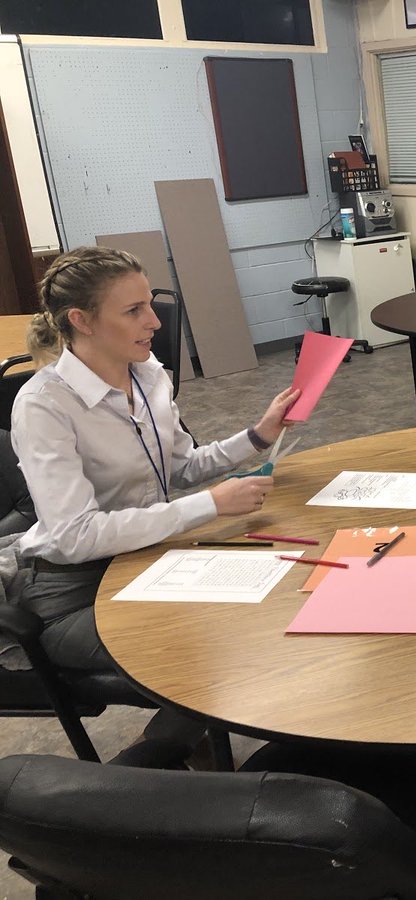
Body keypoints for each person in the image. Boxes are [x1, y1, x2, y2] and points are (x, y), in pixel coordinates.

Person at [10, 246, 300, 672]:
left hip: (145, 554)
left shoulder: (150, 376)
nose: (155, 321)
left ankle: (183, 737)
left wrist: (257, 436)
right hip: (74, 587)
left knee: (259, 607)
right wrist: (210, 505)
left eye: (149, 304)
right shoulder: (44, 405)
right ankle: (171, 740)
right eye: (134, 310)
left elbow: (180, 467)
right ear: (81, 320)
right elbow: (75, 536)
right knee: (201, 647)